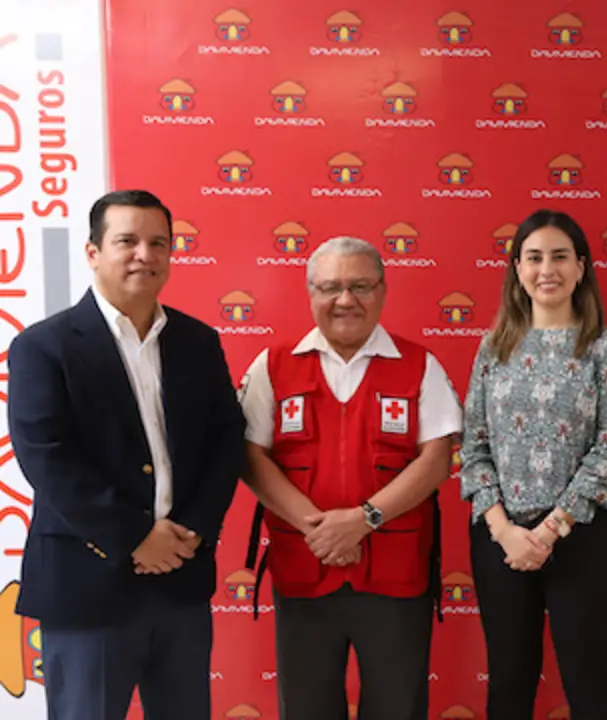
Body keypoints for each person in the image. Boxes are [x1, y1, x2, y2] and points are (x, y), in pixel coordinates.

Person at [6, 189, 246, 719]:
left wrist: (191, 532)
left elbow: (226, 440)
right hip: (86, 586)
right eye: (128, 241)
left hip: (180, 579)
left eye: (159, 242)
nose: (146, 254)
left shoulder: (198, 341)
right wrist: (135, 536)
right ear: (93, 252)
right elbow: (47, 457)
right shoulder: (44, 347)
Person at [238, 235, 461, 720]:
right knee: (306, 708)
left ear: (383, 290)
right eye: (330, 287)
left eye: (361, 285)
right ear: (310, 293)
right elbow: (251, 457)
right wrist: (319, 529)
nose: (345, 300)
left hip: (395, 575)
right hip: (304, 567)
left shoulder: (420, 365)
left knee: (397, 707)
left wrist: (363, 519)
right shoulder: (272, 367)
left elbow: (437, 459)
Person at [459, 209, 607, 720]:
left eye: (560, 256)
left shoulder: (605, 347)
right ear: (517, 268)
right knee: (510, 682)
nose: (546, 269)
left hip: (580, 537)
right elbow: (474, 448)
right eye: (533, 257)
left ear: (581, 267)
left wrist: (549, 531)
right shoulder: (493, 348)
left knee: (588, 683)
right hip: (501, 540)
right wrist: (505, 530)